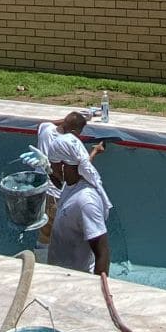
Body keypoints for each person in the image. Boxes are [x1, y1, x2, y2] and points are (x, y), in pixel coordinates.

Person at [45, 132, 111, 276]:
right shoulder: (70, 183)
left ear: (63, 165)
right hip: (59, 274)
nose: (50, 166)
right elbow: (80, 164)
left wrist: (94, 287)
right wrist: (45, 167)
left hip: (75, 279)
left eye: (51, 163)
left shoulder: (86, 202)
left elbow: (102, 253)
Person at [34, 111, 105, 244]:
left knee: (44, 231)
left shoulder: (46, 130)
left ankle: (41, 253)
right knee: (60, 233)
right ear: (73, 131)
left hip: (39, 190)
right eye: (79, 132)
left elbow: (41, 124)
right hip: (56, 194)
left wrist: (69, 120)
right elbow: (83, 168)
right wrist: (95, 151)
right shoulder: (70, 144)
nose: (79, 135)